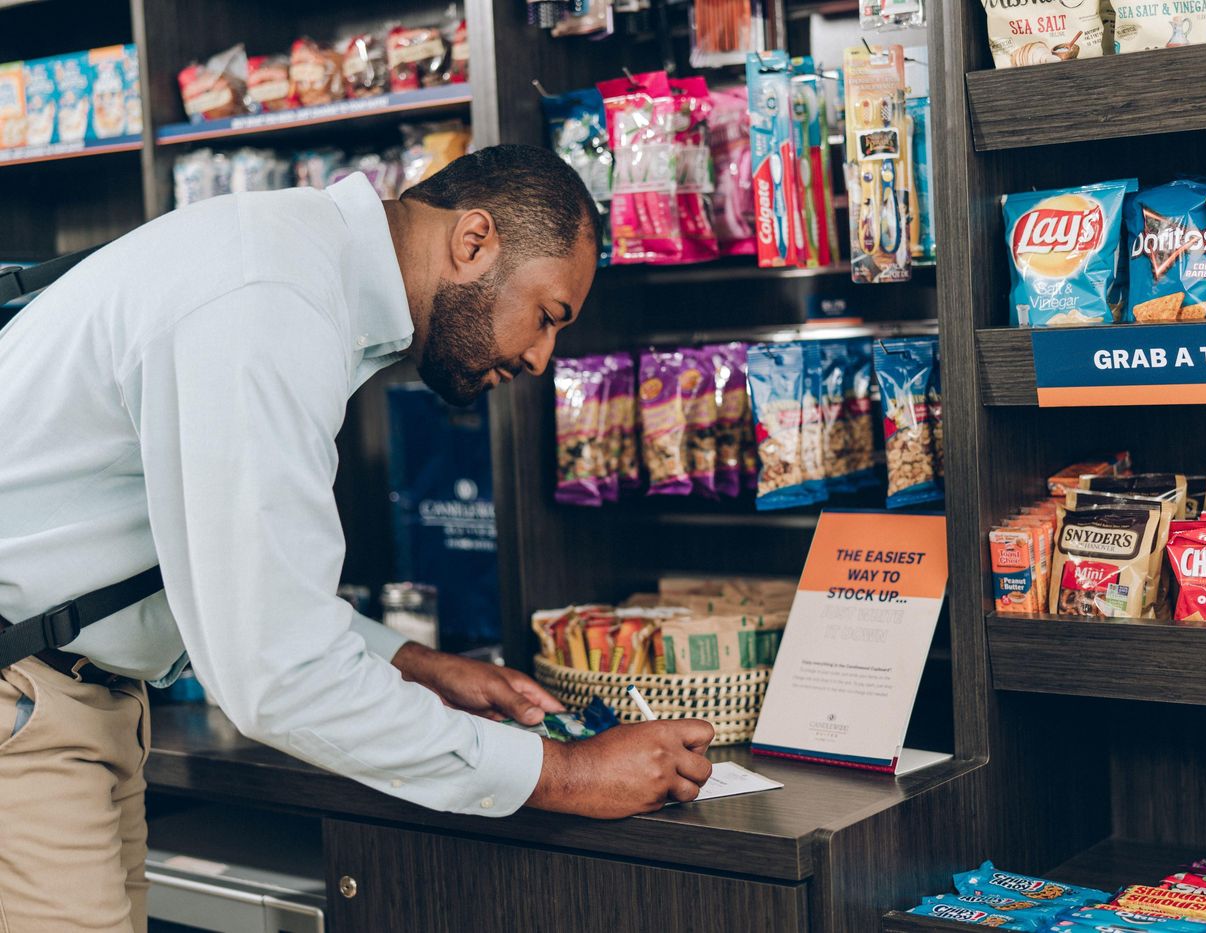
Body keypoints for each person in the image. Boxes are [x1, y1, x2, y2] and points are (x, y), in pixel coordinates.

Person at [0, 144, 715, 933]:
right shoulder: (266, 300)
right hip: (24, 701)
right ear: (473, 241)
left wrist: (413, 664)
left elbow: (241, 576)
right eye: (548, 316)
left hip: (76, 699)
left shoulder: (299, 270)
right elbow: (278, 675)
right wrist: (570, 772)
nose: (542, 359)